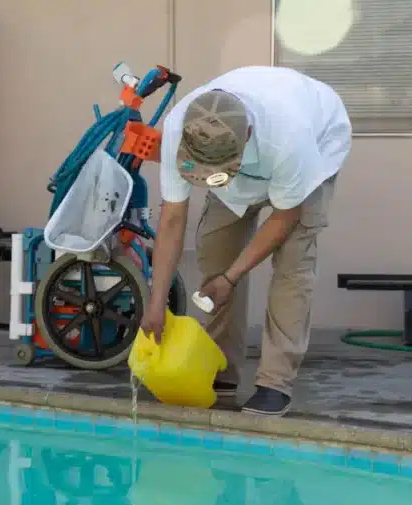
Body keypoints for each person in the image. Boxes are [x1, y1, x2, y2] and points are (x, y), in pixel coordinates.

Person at [140, 65, 351, 417]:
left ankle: (274, 382)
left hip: (317, 149)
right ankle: (220, 367)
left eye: (219, 171)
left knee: (291, 269)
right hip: (252, 162)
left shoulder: (288, 138)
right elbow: (173, 217)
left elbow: (285, 218)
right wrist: (157, 303)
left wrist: (231, 278)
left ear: (248, 133)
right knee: (214, 255)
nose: (213, 180)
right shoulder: (181, 128)